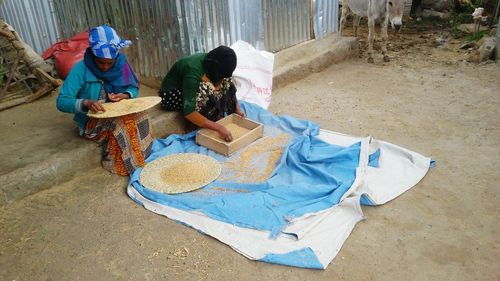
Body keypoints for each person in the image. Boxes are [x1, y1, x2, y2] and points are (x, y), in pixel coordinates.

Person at [56, 25, 153, 176]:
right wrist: (86, 103)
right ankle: (121, 165)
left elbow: (133, 88)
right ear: (93, 56)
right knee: (121, 124)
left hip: (117, 112)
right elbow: (62, 101)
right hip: (91, 122)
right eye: (100, 62)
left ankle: (140, 155)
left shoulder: (121, 64)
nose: (105, 67)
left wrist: (125, 95)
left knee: (143, 115)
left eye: (110, 63)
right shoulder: (80, 69)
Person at [159, 45, 244, 142]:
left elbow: (227, 84)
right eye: (220, 75)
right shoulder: (193, 72)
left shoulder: (213, 62)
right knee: (205, 92)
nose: (220, 79)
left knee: (225, 82)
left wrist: (237, 108)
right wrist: (219, 128)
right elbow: (189, 112)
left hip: (191, 84)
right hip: (171, 95)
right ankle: (194, 124)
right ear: (215, 68)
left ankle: (213, 116)